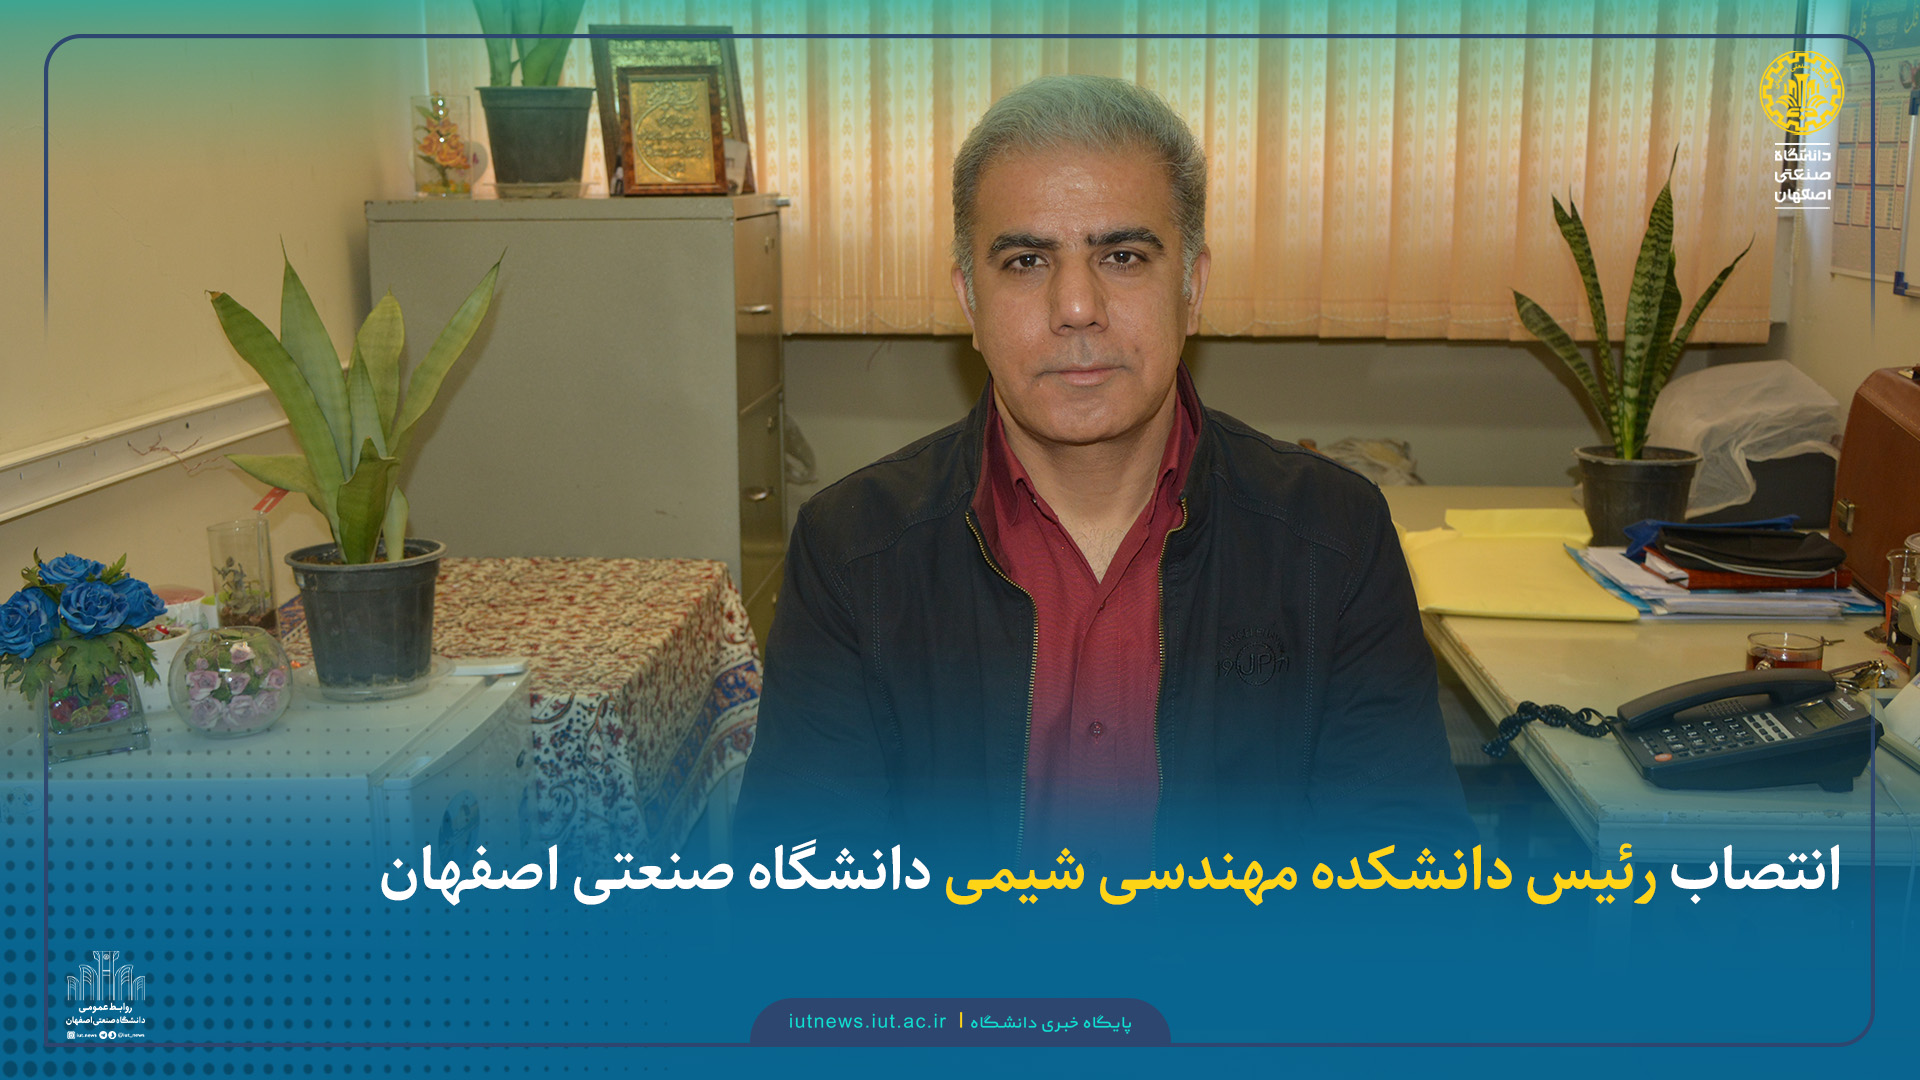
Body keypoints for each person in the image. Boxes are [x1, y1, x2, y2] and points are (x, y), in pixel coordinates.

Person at [736, 74, 1471, 870]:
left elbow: (1403, 881)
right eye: (1025, 261)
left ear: (1192, 289)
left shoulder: (1334, 538)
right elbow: (800, 888)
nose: (1077, 306)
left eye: (1122, 257)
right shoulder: (853, 551)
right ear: (970, 303)